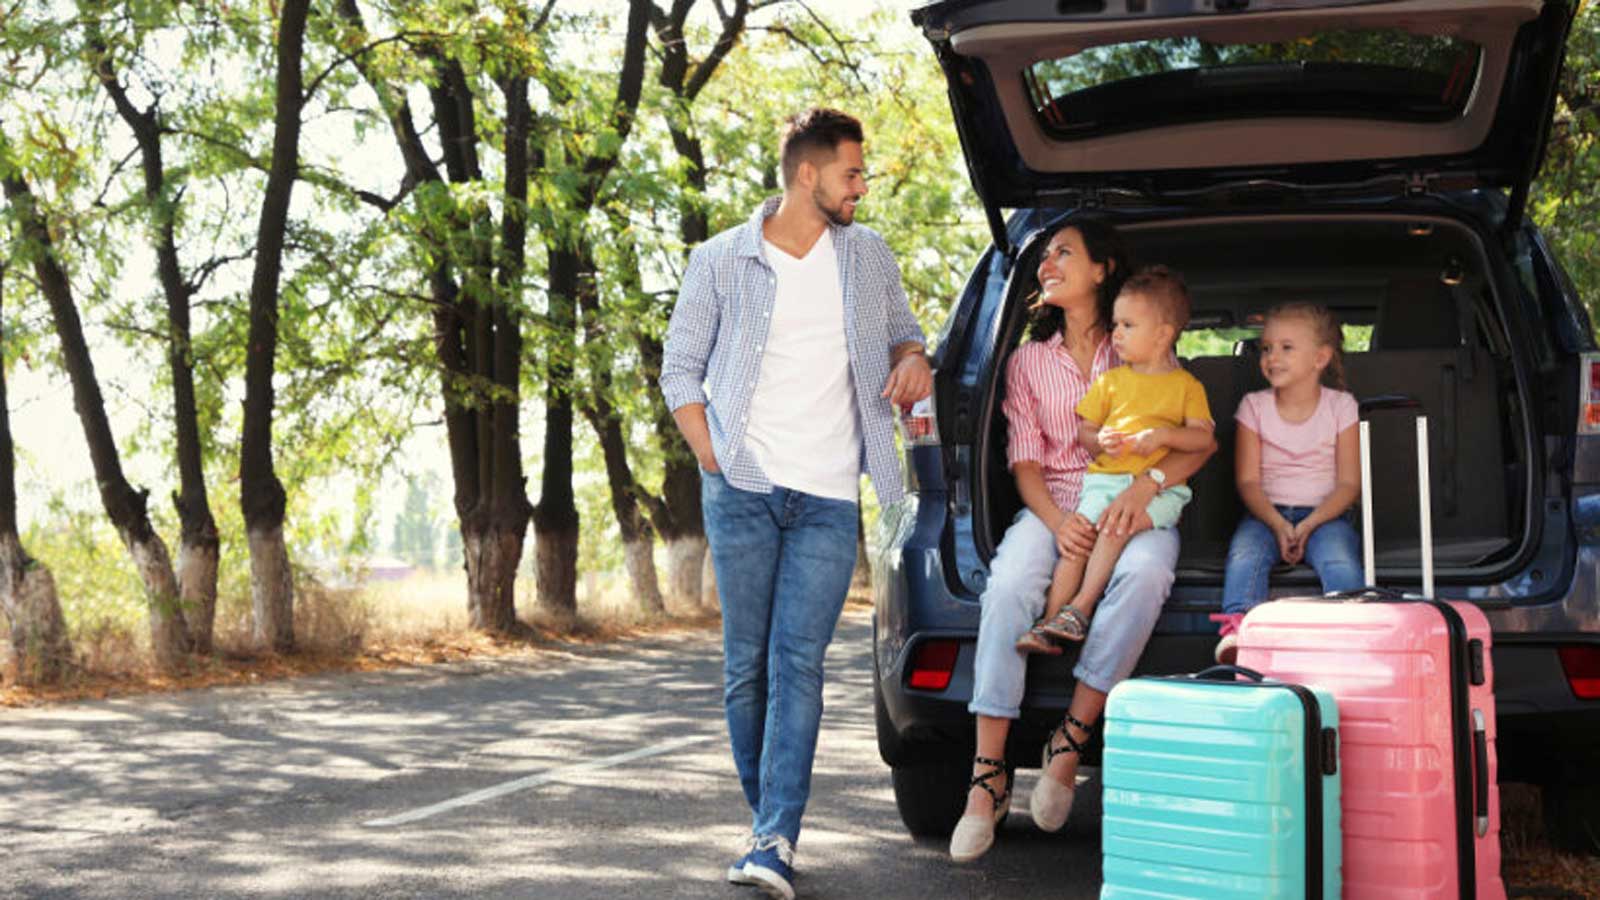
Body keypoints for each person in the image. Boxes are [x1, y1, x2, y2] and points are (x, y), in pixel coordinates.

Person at [659, 107, 931, 900]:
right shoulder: (720, 259)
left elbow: (905, 335)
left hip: (825, 497)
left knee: (797, 664)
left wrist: (913, 359)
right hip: (740, 487)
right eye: (852, 172)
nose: (862, 186)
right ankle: (765, 817)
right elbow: (681, 369)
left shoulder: (868, 255)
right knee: (746, 667)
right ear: (807, 175)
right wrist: (712, 455)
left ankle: (775, 833)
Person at [949, 221, 1216, 863]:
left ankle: (1069, 742)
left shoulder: (1142, 351)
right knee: (1010, 582)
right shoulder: (1026, 362)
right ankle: (987, 779)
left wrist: (1145, 487)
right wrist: (1057, 518)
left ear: (1102, 270)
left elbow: (1192, 445)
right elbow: (1025, 461)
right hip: (1053, 506)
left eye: (1064, 251)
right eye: (1043, 254)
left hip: (1135, 503)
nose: (1048, 261)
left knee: (1147, 575)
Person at [1016, 267, 1213, 655]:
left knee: (1112, 528)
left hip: (1162, 491)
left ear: (1162, 335)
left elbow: (1203, 438)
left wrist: (1164, 436)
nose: (1116, 333)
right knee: (1079, 540)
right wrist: (1100, 439)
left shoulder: (1186, 387)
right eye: (1115, 323)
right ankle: (1048, 623)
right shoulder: (1110, 382)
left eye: (1127, 325)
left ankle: (1081, 608)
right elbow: (1085, 433)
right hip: (1105, 481)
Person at [1212, 301, 1363, 663]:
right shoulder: (1254, 406)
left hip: (1326, 516)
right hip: (1266, 514)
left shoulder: (1341, 406)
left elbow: (1348, 484)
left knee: (1339, 559)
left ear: (1320, 358)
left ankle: (1353, 630)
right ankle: (1239, 632)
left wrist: (1310, 524)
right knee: (1245, 556)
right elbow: (1248, 482)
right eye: (1266, 348)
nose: (1271, 357)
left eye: (1286, 347)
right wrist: (1279, 524)